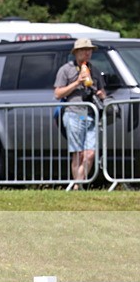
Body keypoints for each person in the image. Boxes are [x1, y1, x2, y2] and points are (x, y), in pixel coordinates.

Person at [53, 38, 106, 190]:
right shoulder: (66, 69)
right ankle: (79, 186)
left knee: (90, 153)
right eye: (84, 50)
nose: (87, 53)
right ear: (76, 53)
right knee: (78, 153)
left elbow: (102, 91)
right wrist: (76, 83)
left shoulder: (94, 70)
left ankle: (77, 185)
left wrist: (102, 95)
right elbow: (57, 93)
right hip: (73, 113)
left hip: (91, 114)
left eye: (89, 50)